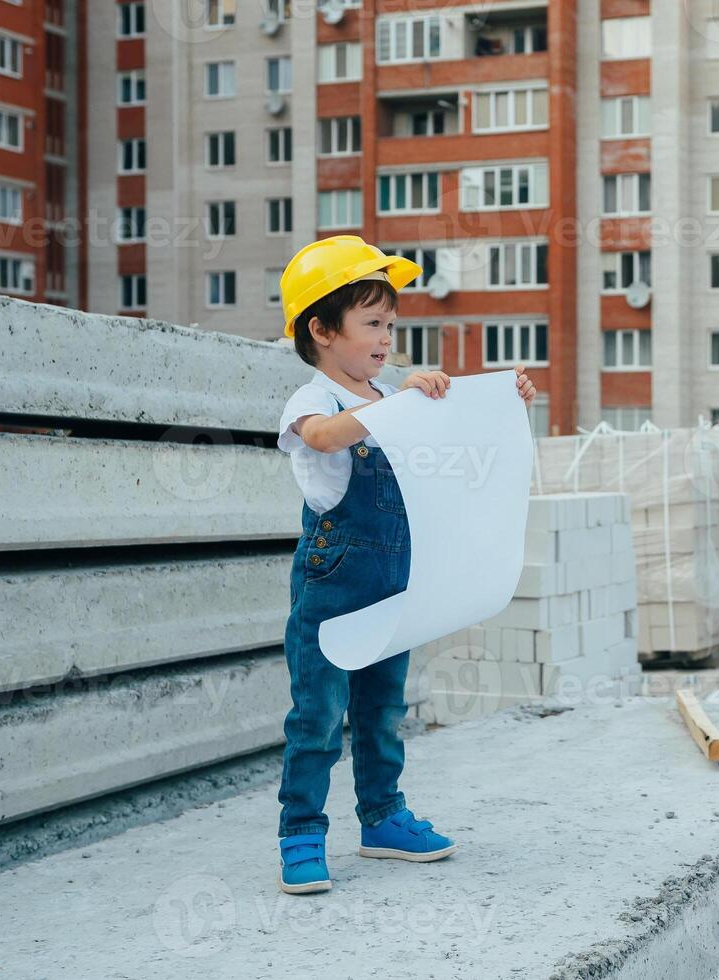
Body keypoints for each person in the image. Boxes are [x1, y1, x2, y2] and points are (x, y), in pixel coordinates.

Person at [274, 235, 537, 894]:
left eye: (390, 324)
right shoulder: (311, 400)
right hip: (333, 588)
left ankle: (382, 819)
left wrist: (504, 406)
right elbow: (324, 438)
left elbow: (454, 454)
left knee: (382, 711)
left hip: (394, 586)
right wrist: (399, 405)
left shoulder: (394, 394)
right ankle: (301, 832)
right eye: (372, 324)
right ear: (322, 330)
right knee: (316, 716)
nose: (387, 338)